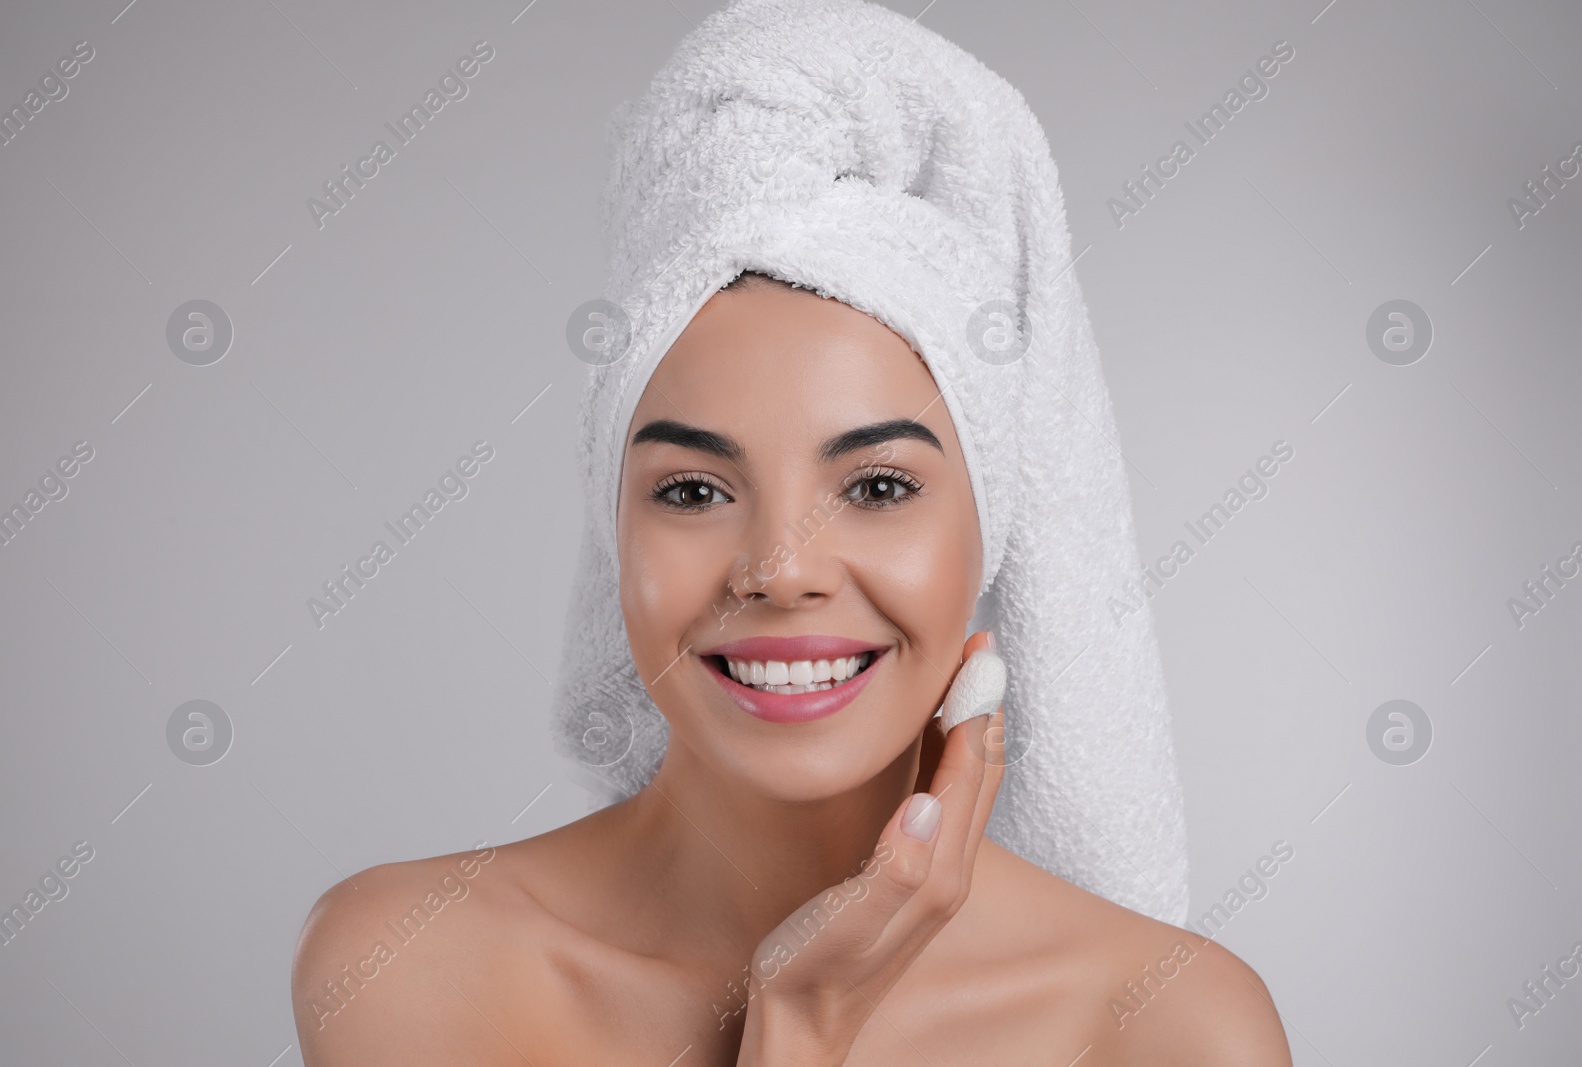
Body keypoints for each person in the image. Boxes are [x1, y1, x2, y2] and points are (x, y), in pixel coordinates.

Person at [291, 270, 1292, 1064]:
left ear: (988, 541)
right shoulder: (408, 960)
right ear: (615, 544)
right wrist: (802, 1027)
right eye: (691, 490)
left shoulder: (1172, 1026)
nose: (779, 569)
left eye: (880, 484)